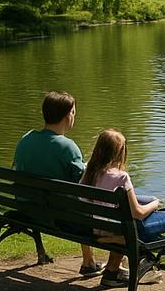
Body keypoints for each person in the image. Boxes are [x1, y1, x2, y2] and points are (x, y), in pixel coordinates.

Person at [82, 128, 165, 291]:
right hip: (123, 233)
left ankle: (112, 272)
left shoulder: (89, 173)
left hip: (97, 229)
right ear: (120, 152)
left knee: (131, 220)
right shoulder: (121, 177)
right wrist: (154, 203)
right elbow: (138, 213)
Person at [14, 91, 105, 277]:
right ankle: (90, 262)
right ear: (67, 115)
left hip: (27, 208)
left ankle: (89, 261)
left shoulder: (26, 138)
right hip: (59, 216)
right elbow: (84, 185)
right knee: (91, 204)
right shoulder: (67, 146)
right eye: (74, 112)